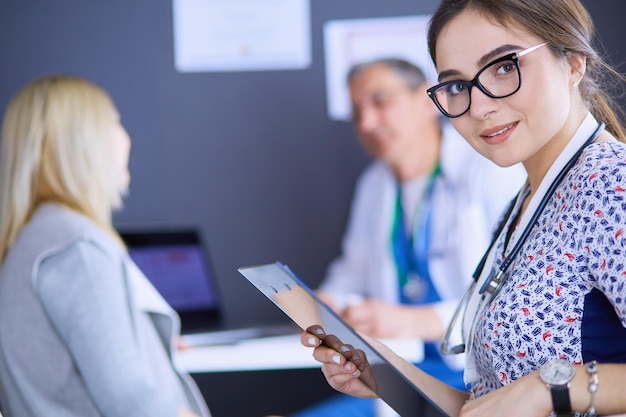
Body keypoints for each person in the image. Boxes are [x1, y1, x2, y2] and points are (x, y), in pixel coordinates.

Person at [301, 0, 626, 416]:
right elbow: (484, 406)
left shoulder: (609, 184)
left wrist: (552, 388)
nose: (479, 105)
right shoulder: (528, 201)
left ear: (573, 61)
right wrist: (383, 372)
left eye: (505, 66)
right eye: (457, 86)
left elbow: (537, 395)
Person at [292, 58, 525, 416]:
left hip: (482, 381)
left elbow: (519, 296)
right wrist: (326, 303)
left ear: (425, 100)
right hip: (401, 377)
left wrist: (417, 321)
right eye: (357, 112)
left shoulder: (489, 168)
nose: (367, 123)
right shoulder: (375, 185)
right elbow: (352, 270)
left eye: (381, 101)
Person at [0, 75, 211, 417]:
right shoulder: (76, 247)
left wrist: (147, 348)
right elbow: (132, 402)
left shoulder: (38, 237)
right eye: (114, 123)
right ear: (82, 143)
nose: (126, 137)